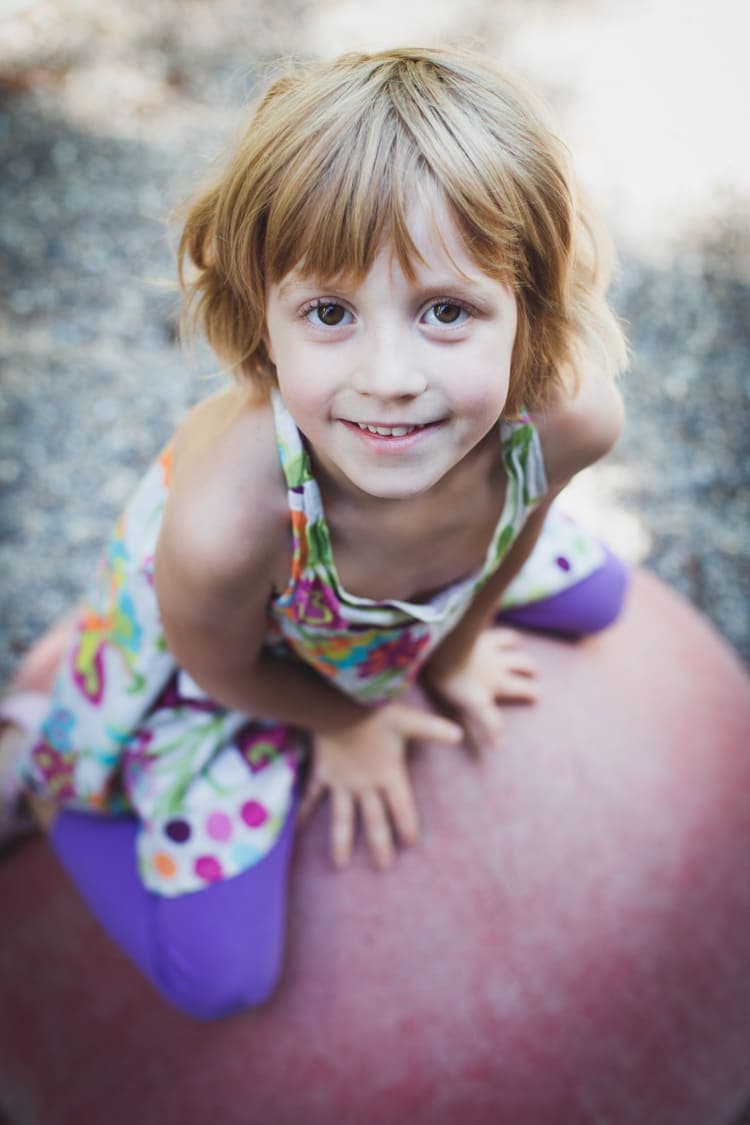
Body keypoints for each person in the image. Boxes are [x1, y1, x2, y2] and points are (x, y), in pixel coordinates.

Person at [0, 47, 629, 1020]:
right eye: (330, 312)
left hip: (400, 609)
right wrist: (350, 719)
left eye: (448, 310)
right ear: (263, 313)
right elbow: (219, 669)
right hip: (250, 663)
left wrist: (456, 651)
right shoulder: (228, 523)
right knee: (220, 980)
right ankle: (40, 780)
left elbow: (519, 528)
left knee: (604, 599)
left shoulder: (568, 423)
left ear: (530, 306)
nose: (388, 375)